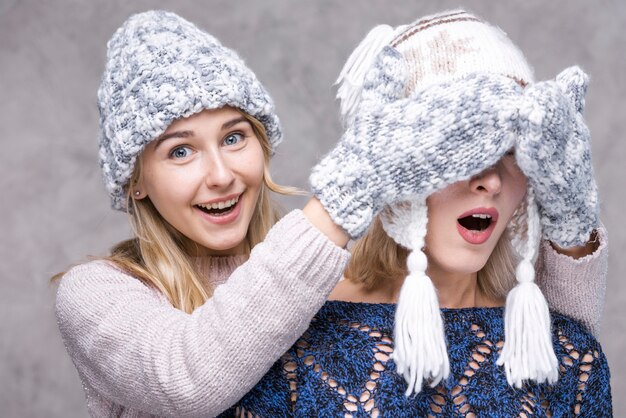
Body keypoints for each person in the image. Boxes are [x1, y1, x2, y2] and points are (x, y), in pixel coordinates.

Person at [54, 10, 517, 417]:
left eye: (234, 137)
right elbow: (186, 379)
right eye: (180, 151)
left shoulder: (332, 277)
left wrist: (569, 227)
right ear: (136, 181)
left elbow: (532, 363)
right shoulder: (97, 293)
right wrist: (348, 188)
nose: (220, 175)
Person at [229, 10, 611, 417]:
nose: (491, 181)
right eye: (460, 148)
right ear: (394, 158)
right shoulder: (285, 340)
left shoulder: (567, 357)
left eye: (514, 148)